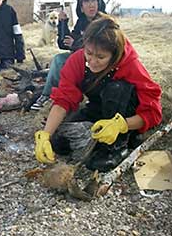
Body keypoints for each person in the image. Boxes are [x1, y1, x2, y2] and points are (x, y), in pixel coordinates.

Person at [34, 14, 162, 172]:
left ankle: (119, 145)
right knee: (58, 142)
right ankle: (100, 138)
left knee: (116, 88)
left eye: (101, 57)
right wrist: (45, 134)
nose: (92, 61)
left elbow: (154, 113)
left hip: (126, 116)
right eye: (89, 53)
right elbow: (63, 100)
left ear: (114, 55)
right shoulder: (77, 60)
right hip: (98, 107)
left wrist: (121, 125)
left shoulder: (130, 65)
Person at [31, 0, 106, 110]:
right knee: (59, 59)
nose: (91, 5)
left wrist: (76, 44)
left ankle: (53, 96)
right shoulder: (81, 22)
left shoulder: (103, 21)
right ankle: (47, 96)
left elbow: (102, 45)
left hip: (99, 60)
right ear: (81, 8)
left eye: (93, 1)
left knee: (61, 61)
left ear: (98, 3)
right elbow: (64, 43)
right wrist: (62, 23)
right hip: (83, 58)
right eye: (87, 2)